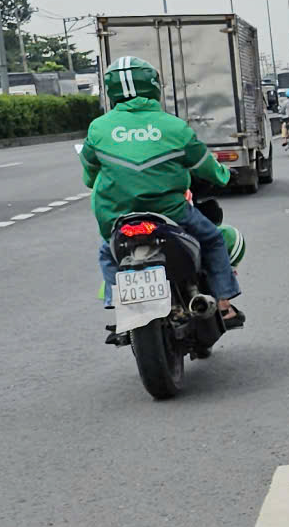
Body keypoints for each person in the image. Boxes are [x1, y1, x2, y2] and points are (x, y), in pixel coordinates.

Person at [81, 54, 241, 326]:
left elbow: (89, 172)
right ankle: (225, 303)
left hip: (118, 216)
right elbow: (205, 166)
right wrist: (225, 175)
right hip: (171, 212)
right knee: (213, 240)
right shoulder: (174, 127)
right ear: (153, 86)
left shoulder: (98, 128)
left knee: (107, 251)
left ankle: (114, 300)